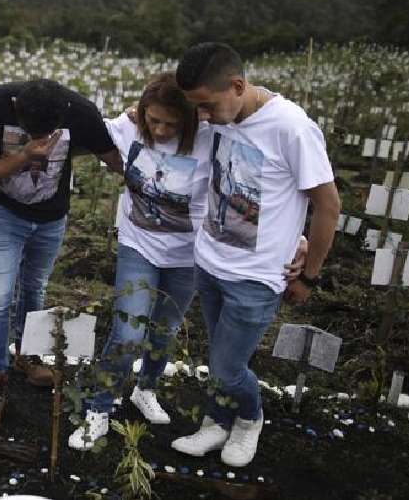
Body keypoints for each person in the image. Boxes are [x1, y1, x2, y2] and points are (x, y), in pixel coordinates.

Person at [168, 42, 338, 467]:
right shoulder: (219, 113)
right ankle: (216, 419)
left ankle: (249, 418)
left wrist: (309, 275)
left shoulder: (291, 128)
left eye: (206, 106)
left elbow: (328, 205)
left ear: (238, 86)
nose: (202, 118)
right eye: (196, 109)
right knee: (219, 354)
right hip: (209, 264)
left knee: (228, 366)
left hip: (256, 277)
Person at [69, 72, 211, 449]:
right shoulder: (128, 128)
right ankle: (99, 408)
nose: (161, 129)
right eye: (154, 119)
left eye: (171, 123)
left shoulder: (209, 139)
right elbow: (83, 124)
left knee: (164, 330)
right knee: (128, 333)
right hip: (139, 245)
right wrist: (128, 115)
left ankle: (145, 389)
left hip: (187, 255)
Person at [0, 78, 121, 434]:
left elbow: (116, 159)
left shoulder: (81, 111)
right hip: (2, 214)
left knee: (35, 287)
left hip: (52, 218)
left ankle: (27, 355)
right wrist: (25, 155)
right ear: (16, 106)